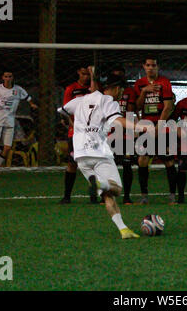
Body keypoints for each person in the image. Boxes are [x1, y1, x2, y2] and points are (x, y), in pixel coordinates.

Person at [57, 74, 142, 239]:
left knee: (107, 194)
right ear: (116, 88)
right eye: (121, 89)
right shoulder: (108, 101)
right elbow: (117, 120)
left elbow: (62, 110)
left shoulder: (79, 100)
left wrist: (73, 124)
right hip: (99, 153)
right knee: (116, 189)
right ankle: (101, 183)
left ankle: (123, 229)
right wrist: (142, 127)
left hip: (81, 155)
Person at [134, 56, 177, 205]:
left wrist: (159, 125)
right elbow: (137, 107)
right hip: (146, 126)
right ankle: (144, 195)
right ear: (144, 67)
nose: (151, 67)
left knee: (169, 160)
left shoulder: (164, 82)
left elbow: (168, 106)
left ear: (157, 67)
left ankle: (172, 194)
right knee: (143, 160)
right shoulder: (139, 84)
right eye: (148, 65)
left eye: (153, 65)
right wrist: (144, 92)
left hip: (162, 126)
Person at [59, 63, 99, 204]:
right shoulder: (71, 89)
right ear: (78, 72)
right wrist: (75, 126)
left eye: (88, 74)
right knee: (72, 163)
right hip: (75, 132)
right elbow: (66, 111)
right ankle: (67, 196)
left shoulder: (94, 89)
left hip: (92, 132)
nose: (86, 76)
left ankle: (94, 195)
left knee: (93, 162)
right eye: (84, 73)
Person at [109, 65, 137, 205]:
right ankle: (106, 195)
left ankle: (126, 196)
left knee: (127, 164)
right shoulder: (106, 93)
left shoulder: (129, 92)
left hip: (124, 134)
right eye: (116, 75)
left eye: (120, 75)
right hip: (108, 133)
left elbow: (130, 113)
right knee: (107, 164)